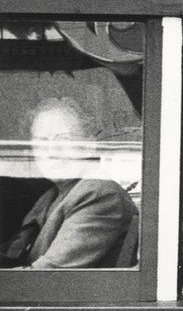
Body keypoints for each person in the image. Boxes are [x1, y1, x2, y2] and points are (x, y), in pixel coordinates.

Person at [0, 97, 138, 268]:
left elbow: (49, 274)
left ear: (90, 145)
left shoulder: (98, 193)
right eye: (42, 142)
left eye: (63, 139)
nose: (51, 151)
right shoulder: (50, 197)